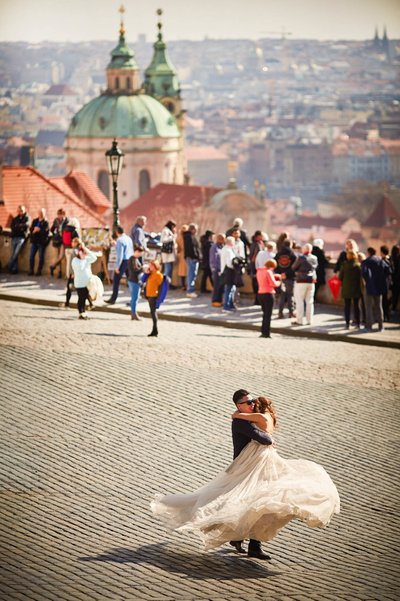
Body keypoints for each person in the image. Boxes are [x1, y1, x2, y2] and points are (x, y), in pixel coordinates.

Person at [151, 388, 340, 557]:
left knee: (263, 502)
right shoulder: (241, 422)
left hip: (260, 467)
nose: (251, 405)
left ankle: (249, 543)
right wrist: (263, 435)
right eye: (247, 403)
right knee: (240, 501)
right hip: (245, 469)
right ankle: (244, 541)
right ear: (238, 405)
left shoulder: (249, 417)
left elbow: (266, 431)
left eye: (252, 401)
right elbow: (263, 439)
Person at [361, 247, 389, 332]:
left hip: (369, 286)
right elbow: (388, 270)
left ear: (368, 253)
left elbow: (364, 272)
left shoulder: (366, 261)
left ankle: (368, 326)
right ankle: (381, 326)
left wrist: (367, 281)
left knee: (368, 307)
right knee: (379, 306)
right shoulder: (380, 261)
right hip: (379, 287)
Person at [105, 226, 133, 304]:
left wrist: (117, 267)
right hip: (129, 260)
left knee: (116, 280)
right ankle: (133, 299)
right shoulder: (128, 238)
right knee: (131, 280)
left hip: (123, 261)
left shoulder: (120, 241)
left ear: (117, 232)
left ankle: (113, 298)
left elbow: (120, 255)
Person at [292, 243, 318, 326]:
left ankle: (299, 320)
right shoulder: (314, 258)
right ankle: (309, 320)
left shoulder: (301, 258)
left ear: (305, 249)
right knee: (310, 301)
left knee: (299, 301)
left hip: (301, 280)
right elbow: (316, 267)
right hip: (311, 281)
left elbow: (294, 267)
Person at [71, 242, 98, 320]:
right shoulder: (75, 260)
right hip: (80, 283)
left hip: (87, 283)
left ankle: (83, 312)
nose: (85, 254)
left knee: (85, 297)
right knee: (81, 298)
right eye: (84, 253)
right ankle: (81, 312)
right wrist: (83, 258)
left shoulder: (86, 259)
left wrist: (88, 251)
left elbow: (94, 258)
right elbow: (80, 268)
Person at [256, 259, 281, 338]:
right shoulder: (268, 272)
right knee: (268, 314)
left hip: (260, 293)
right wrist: (279, 282)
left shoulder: (259, 271)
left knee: (264, 314)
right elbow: (273, 283)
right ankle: (266, 333)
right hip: (268, 294)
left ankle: (263, 331)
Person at [339, 250, 362, 329]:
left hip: (346, 288)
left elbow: (340, 277)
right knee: (356, 306)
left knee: (347, 306)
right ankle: (358, 323)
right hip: (356, 288)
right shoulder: (358, 266)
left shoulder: (344, 265)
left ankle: (347, 324)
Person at [275, 239, 296, 319]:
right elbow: (294, 267)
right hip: (290, 278)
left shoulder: (278, 253)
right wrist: (286, 274)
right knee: (290, 295)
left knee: (282, 296)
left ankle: (280, 313)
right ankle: (291, 313)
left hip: (280, 278)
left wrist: (280, 274)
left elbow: (274, 264)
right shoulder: (292, 254)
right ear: (290, 244)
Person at [8, 205, 30, 274]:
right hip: (14, 237)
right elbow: (12, 227)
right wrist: (19, 227)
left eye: (21, 211)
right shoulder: (15, 218)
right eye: (19, 210)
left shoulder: (26, 218)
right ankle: (14, 269)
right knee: (14, 253)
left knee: (16, 252)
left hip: (21, 237)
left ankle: (9, 264)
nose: (20, 212)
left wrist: (18, 226)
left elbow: (26, 225)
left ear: (24, 211)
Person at [145, 259, 164, 337]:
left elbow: (162, 286)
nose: (150, 267)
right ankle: (154, 329)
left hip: (154, 296)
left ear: (155, 266)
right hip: (149, 295)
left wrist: (159, 296)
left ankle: (155, 329)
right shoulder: (150, 274)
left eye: (151, 266)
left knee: (153, 313)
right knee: (152, 312)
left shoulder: (158, 275)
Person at [28, 208, 50, 276]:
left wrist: (39, 230)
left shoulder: (46, 222)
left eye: (42, 213)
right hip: (34, 241)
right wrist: (34, 230)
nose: (41, 214)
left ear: (44, 213)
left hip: (41, 242)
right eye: (40, 213)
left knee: (41, 257)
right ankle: (31, 270)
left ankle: (39, 271)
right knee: (31, 256)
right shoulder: (35, 221)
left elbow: (46, 232)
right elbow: (31, 229)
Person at [183, 223, 201, 298]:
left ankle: (190, 289)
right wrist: (196, 256)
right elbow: (192, 249)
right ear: (192, 229)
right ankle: (190, 290)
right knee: (191, 274)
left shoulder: (189, 236)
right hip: (192, 258)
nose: (196, 231)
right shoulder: (189, 237)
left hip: (192, 258)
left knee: (192, 274)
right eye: (196, 230)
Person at [50, 208, 68, 278]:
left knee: (61, 256)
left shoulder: (67, 221)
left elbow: (67, 230)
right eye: (58, 214)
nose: (59, 216)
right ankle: (59, 272)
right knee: (58, 256)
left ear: (64, 214)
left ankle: (52, 266)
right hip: (57, 240)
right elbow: (52, 229)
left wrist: (63, 233)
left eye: (61, 214)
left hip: (64, 240)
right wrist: (56, 234)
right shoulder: (56, 220)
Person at [220, 236, 237, 312]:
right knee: (229, 289)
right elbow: (230, 263)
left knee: (230, 289)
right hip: (229, 271)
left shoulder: (225, 249)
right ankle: (226, 306)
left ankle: (230, 304)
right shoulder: (228, 251)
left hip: (225, 271)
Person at [127, 245, 144, 320]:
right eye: (140, 253)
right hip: (134, 281)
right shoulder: (132, 259)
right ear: (137, 251)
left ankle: (134, 313)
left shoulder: (135, 259)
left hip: (135, 281)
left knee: (135, 298)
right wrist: (142, 268)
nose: (141, 255)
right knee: (134, 298)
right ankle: (134, 314)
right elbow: (134, 270)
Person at [248, 231, 265, 305]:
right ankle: (257, 300)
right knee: (256, 284)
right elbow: (252, 256)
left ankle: (258, 299)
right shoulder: (255, 244)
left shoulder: (260, 243)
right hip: (255, 266)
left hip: (259, 265)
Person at [209, 234, 225, 307]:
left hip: (221, 269)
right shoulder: (214, 247)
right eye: (223, 239)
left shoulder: (221, 246)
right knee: (217, 286)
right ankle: (215, 300)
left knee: (221, 286)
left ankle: (220, 300)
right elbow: (214, 259)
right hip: (217, 269)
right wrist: (216, 269)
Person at [380, 245, 392, 322]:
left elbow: (389, 271)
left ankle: (385, 316)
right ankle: (386, 316)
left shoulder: (384, 261)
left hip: (384, 283)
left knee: (384, 301)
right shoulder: (390, 260)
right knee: (386, 301)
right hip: (388, 283)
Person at [177, 224, 188, 290]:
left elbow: (178, 248)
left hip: (182, 254)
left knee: (182, 271)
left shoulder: (179, 238)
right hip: (185, 254)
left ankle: (183, 285)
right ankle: (185, 285)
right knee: (186, 271)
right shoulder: (185, 238)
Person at [390, 244, 400, 313]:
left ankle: (391, 308)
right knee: (395, 295)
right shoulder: (399, 258)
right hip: (398, 279)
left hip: (391, 279)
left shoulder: (390, 258)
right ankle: (393, 308)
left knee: (393, 295)